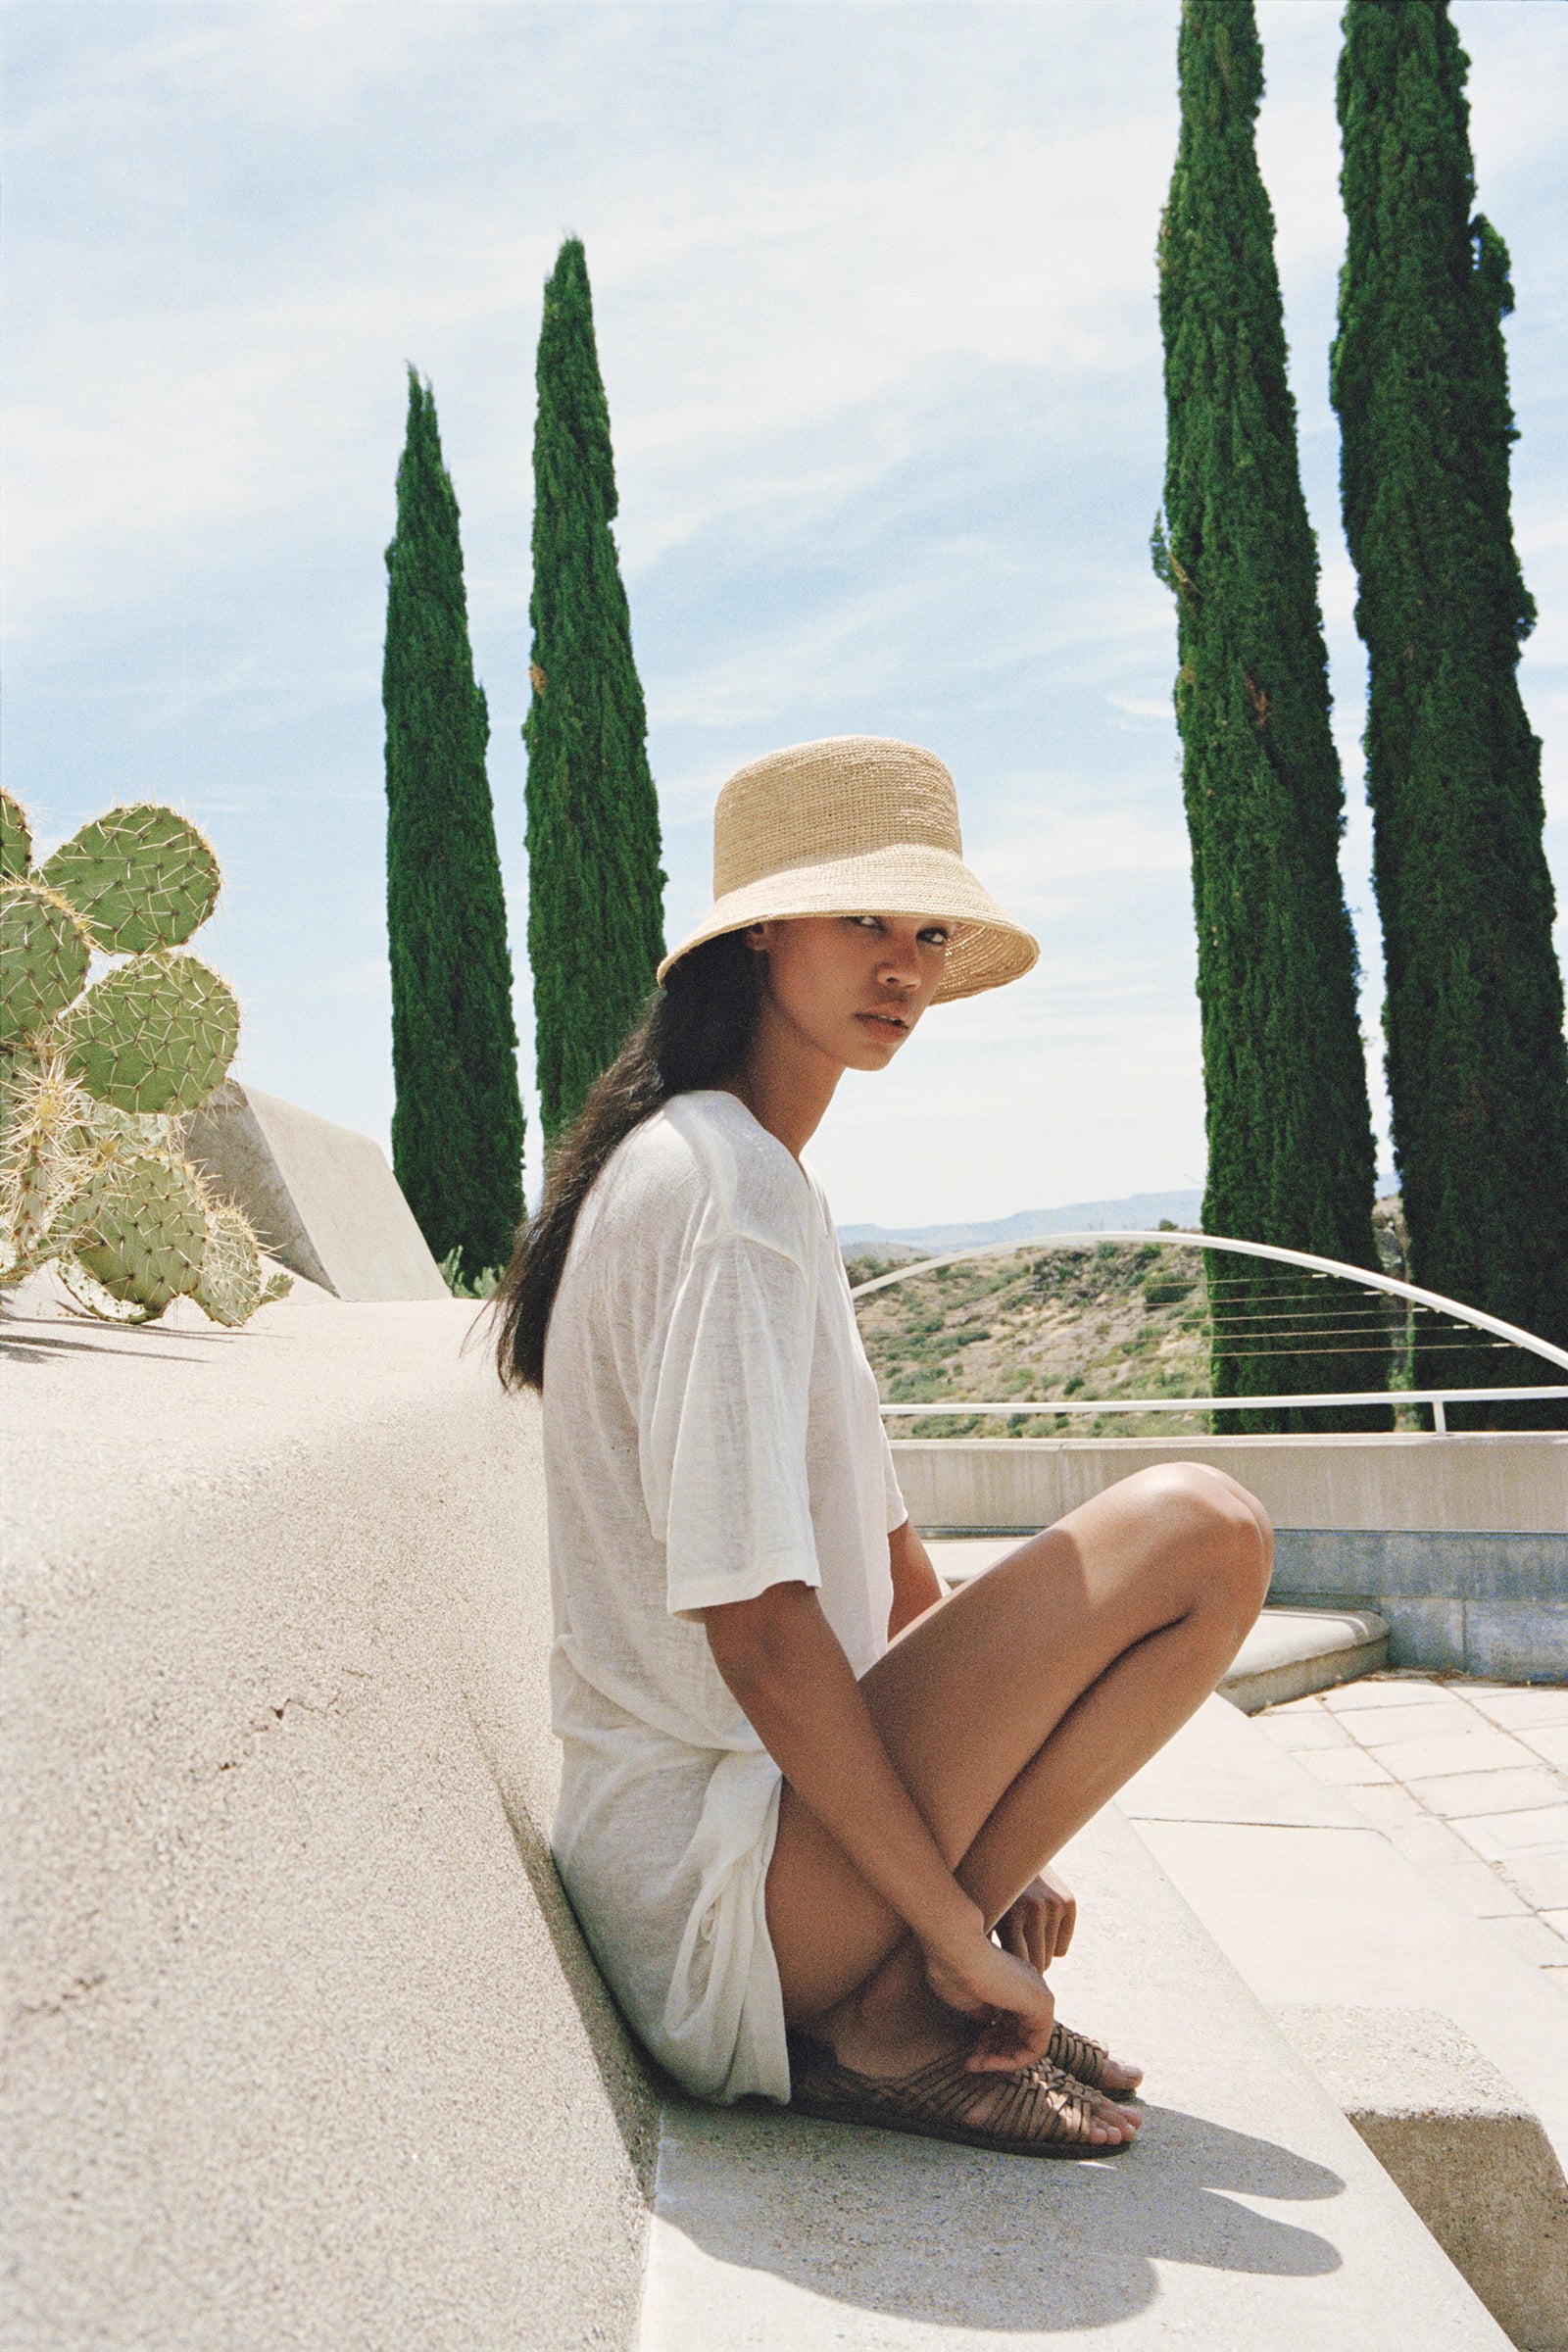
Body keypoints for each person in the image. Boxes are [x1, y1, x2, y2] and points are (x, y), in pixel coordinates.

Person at [492, 735, 1271, 2158]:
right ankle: (891, 2012)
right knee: (1202, 1529)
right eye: (862, 920)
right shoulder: (722, 1187)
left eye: (924, 931)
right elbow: (761, 1630)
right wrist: (951, 1927)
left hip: (756, 1861)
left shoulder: (749, 1173)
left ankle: (903, 1984)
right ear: (759, 936)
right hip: (719, 1899)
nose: (903, 964)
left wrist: (1007, 1861)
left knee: (1197, 1534)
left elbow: (901, 1582)